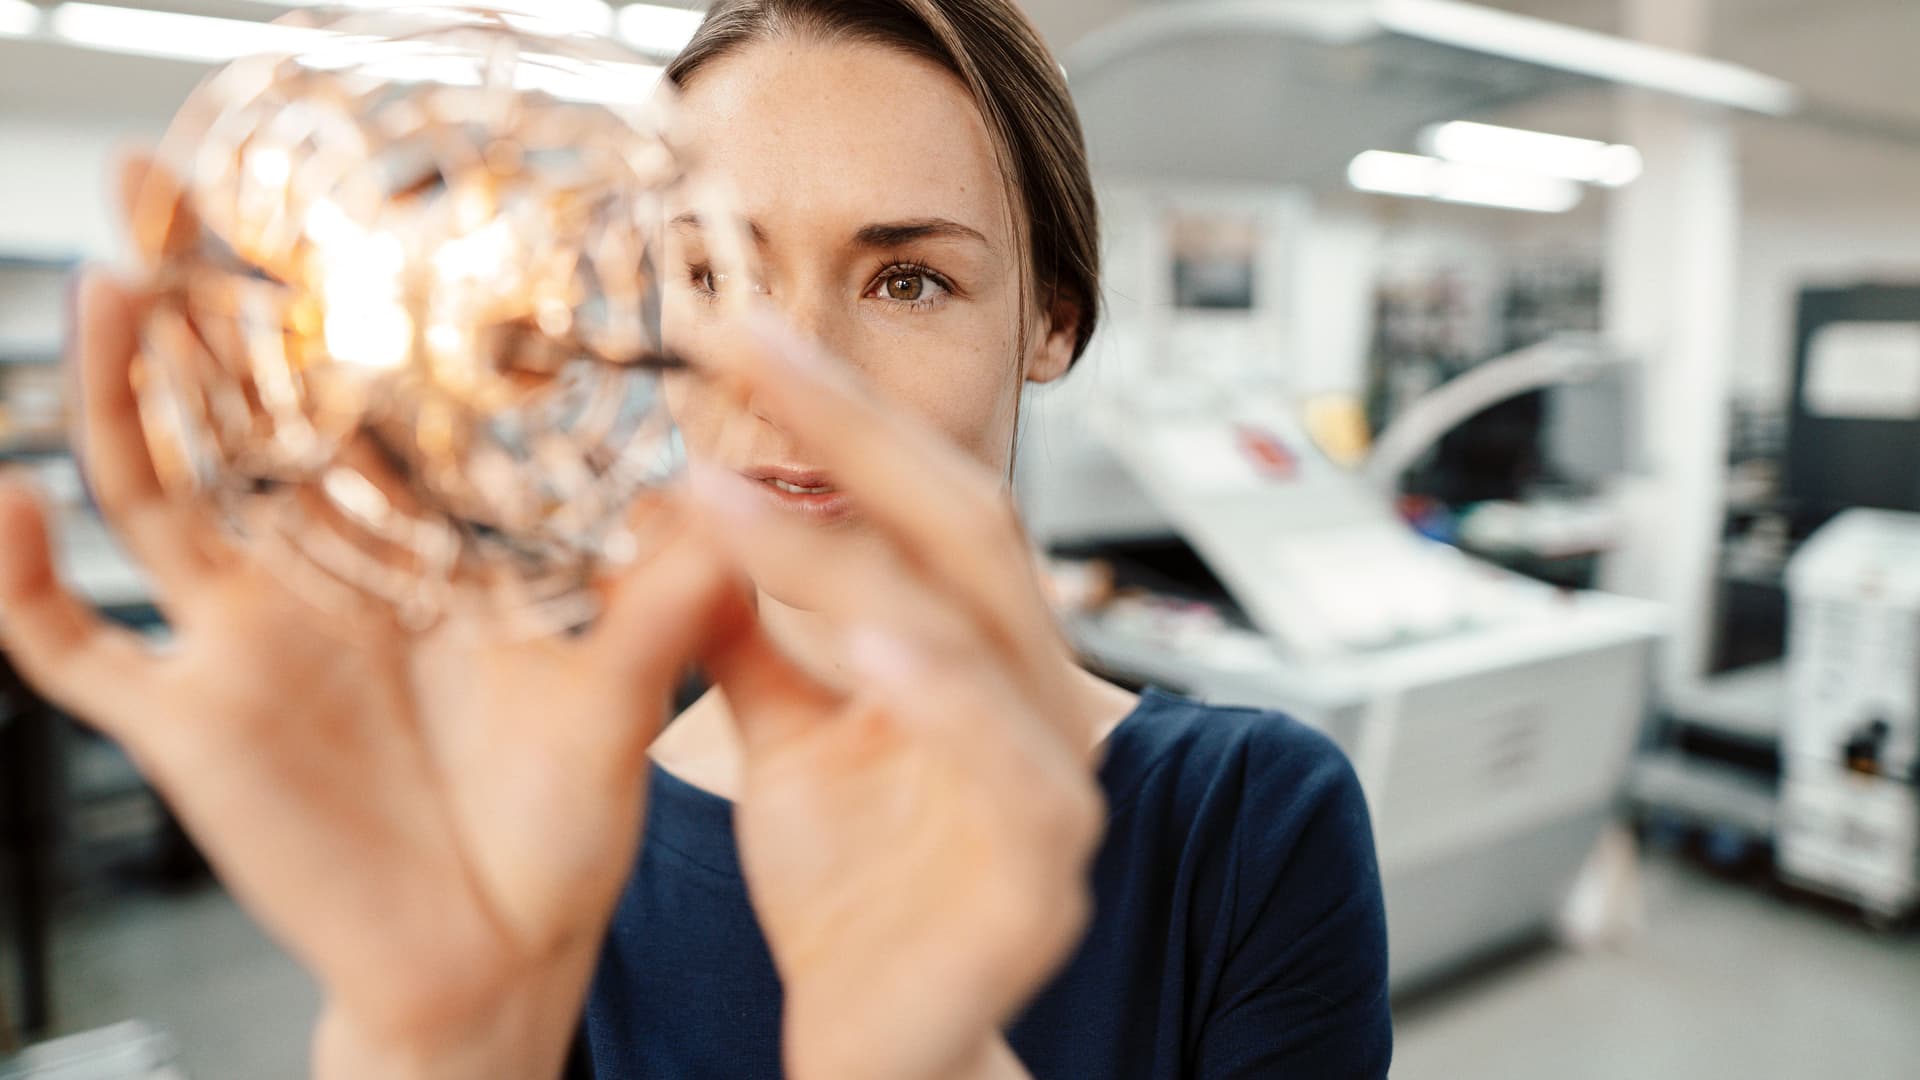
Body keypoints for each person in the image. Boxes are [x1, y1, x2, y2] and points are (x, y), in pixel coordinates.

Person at [0, 0, 1392, 1077]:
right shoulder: (544, 840)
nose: (798, 372)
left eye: (908, 278)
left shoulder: (1249, 825)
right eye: (708, 270)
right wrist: (437, 1046)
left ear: (1050, 322)